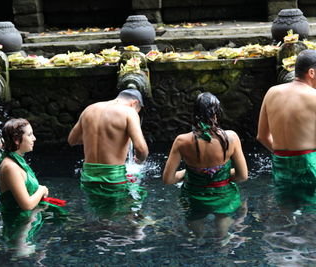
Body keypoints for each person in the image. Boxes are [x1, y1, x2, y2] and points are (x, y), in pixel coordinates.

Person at [163, 92, 248, 241]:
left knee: (196, 236)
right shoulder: (231, 138)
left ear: (194, 114)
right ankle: (222, 246)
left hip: (195, 197)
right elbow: (242, 176)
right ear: (216, 113)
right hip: (223, 196)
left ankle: (198, 243)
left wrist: (187, 173)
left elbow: (168, 180)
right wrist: (222, 175)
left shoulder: (181, 141)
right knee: (222, 235)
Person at [68, 89, 149, 218]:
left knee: (101, 216)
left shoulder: (89, 109)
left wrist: (96, 138)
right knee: (133, 212)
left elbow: (72, 140)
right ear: (134, 103)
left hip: (88, 177)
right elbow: (141, 149)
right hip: (113, 178)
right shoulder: (129, 112)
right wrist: (140, 160)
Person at [0, 118, 65, 256]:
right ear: (17, 140)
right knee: (22, 255)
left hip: (25, 224)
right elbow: (26, 205)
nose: (34, 138)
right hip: (19, 231)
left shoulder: (16, 160)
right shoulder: (10, 167)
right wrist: (41, 190)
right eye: (29, 135)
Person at [257, 49, 316, 211]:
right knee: (311, 215)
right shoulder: (314, 97)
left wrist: (281, 154)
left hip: (281, 164)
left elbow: (262, 136)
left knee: (288, 214)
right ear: (311, 72)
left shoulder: (271, 92)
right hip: (309, 166)